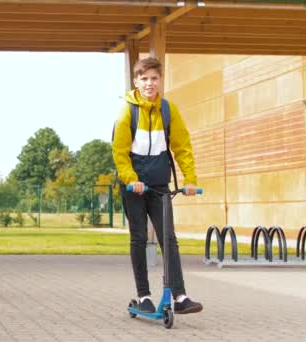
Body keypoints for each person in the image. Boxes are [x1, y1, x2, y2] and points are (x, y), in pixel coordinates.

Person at [112, 57, 203, 314]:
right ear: (136, 81)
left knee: (168, 238)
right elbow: (119, 152)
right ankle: (143, 296)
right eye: (144, 79)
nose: (149, 83)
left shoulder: (167, 109)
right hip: (135, 186)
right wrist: (132, 180)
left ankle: (180, 296)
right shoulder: (127, 111)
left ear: (160, 80)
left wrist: (190, 180)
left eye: (154, 78)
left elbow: (182, 147)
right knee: (139, 237)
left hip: (160, 183)